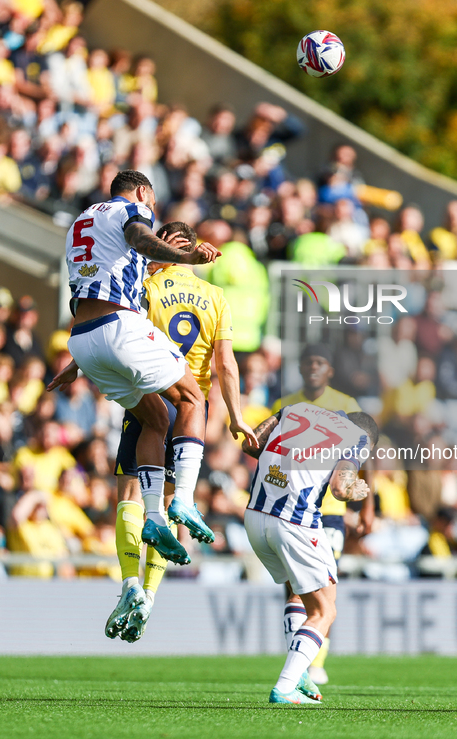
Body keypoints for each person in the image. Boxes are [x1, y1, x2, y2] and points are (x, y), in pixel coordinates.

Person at [47, 170, 222, 626]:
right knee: (192, 400)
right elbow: (142, 239)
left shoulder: (79, 224)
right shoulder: (131, 210)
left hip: (83, 338)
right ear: (144, 192)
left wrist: (77, 363)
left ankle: (155, 518)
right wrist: (185, 254)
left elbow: (89, 290)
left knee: (154, 422)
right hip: (121, 329)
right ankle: (182, 499)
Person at [110, 220, 256, 642]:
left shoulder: (148, 287)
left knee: (132, 495)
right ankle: (151, 597)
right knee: (173, 500)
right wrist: (236, 416)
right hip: (193, 409)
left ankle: (129, 583)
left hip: (152, 397)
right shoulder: (216, 297)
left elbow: (118, 333)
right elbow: (225, 364)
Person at [242, 402, 379, 704]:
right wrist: (355, 489)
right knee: (324, 611)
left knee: (301, 595)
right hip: (294, 522)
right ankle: (285, 686)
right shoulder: (356, 438)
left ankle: (299, 670)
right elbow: (340, 489)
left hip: (254, 516)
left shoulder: (295, 409)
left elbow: (251, 444)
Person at [271, 343, 372, 685]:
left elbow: (363, 456)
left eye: (320, 362)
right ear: (300, 368)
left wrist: (366, 505)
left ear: (330, 370)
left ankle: (312, 663)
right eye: (308, 362)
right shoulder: (284, 405)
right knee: (293, 587)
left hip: (329, 510)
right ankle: (298, 659)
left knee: (322, 586)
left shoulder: (346, 406)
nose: (313, 367)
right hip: (289, 506)